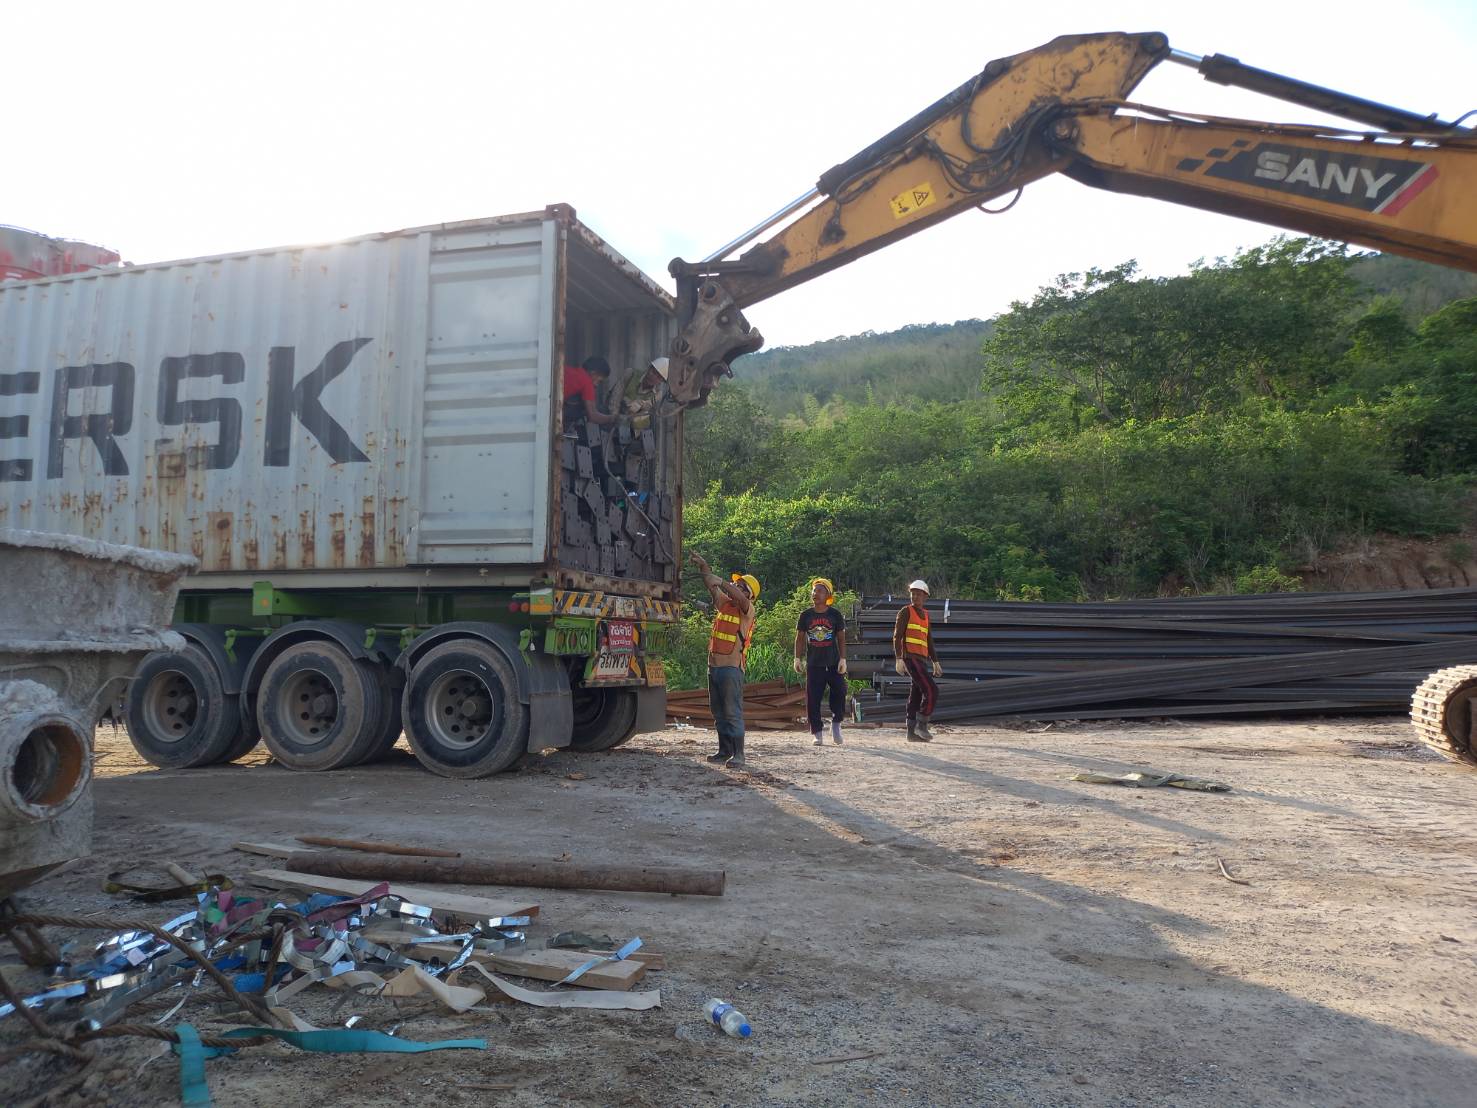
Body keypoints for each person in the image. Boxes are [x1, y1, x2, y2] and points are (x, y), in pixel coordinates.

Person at [690, 550, 758, 769]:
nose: (736, 587)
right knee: (718, 712)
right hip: (715, 667)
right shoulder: (724, 604)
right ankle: (724, 751)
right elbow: (711, 585)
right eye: (735, 584)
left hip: (731, 668)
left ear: (749, 594)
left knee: (732, 712)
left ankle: (739, 755)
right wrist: (704, 566)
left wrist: (721, 581)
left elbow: (732, 593)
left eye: (741, 586)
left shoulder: (748, 610)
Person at [794, 577, 848, 747]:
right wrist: (797, 658)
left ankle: (836, 723)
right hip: (814, 663)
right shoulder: (806, 615)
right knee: (813, 699)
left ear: (828, 595)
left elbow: (841, 638)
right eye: (814, 590)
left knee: (840, 691)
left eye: (820, 590)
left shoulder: (835, 615)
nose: (815, 593)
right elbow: (800, 638)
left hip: (833, 662)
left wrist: (843, 659)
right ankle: (817, 733)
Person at [893, 579, 942, 742]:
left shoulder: (926, 615)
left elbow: (929, 640)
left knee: (915, 694)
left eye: (918, 594)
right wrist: (899, 658)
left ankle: (911, 732)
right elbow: (897, 636)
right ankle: (922, 725)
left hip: (921, 659)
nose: (915, 597)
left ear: (925, 596)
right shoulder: (905, 611)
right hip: (910, 658)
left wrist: (935, 661)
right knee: (932, 690)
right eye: (913, 594)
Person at [562, 356, 619, 429]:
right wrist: (613, 418)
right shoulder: (587, 381)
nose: (597, 385)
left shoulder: (570, 371)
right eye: (599, 381)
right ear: (593, 373)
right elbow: (593, 416)